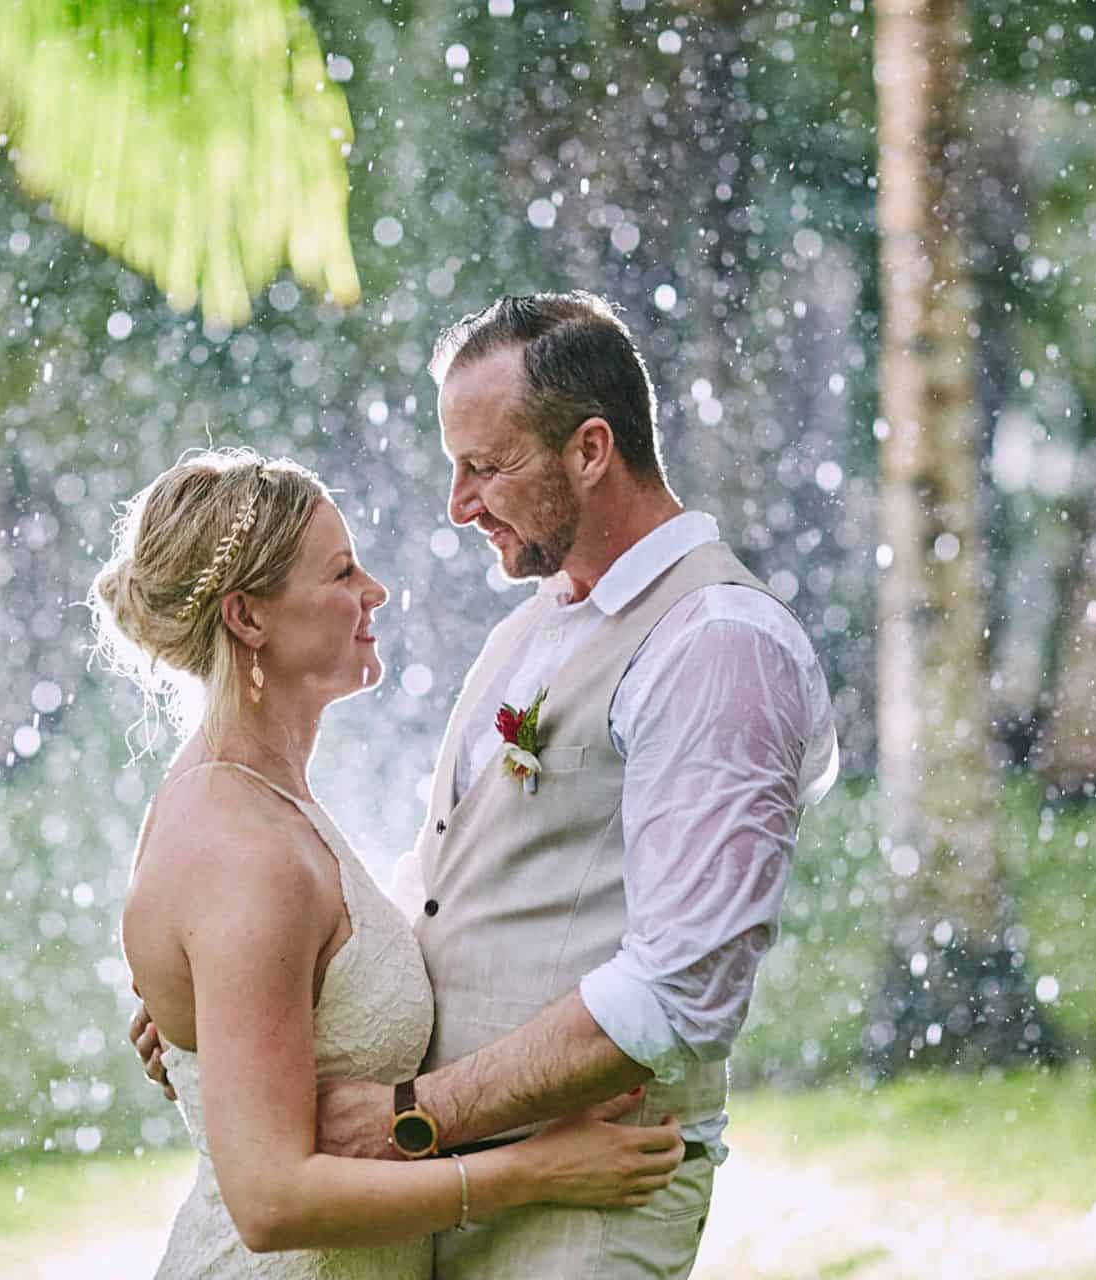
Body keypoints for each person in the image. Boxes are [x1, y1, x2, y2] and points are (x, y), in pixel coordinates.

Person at [137, 294, 839, 1277]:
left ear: (591, 450)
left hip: (586, 1194)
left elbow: (683, 987)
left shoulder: (716, 646)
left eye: (487, 465)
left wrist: (414, 1118)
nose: (458, 504)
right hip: (446, 1196)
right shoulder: (537, 624)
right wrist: (247, 990)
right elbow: (444, 881)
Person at [92, 449, 688, 1279]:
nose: (374, 590)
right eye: (340, 573)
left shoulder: (269, 802)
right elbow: (271, 1204)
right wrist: (531, 1171)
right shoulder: (239, 844)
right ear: (247, 618)